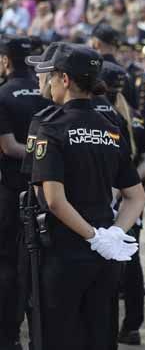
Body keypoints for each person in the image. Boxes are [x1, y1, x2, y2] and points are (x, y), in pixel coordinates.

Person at [31, 43, 145, 350]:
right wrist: (114, 234)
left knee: (60, 336)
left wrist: (93, 236)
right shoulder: (110, 127)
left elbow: (53, 199)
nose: (50, 83)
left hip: (65, 249)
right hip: (104, 253)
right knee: (99, 334)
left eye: (52, 76)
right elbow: (136, 196)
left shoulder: (51, 126)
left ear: (65, 79)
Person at [95, 61, 145, 347]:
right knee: (129, 259)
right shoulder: (134, 116)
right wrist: (130, 184)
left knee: (110, 263)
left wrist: (119, 187)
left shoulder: (100, 116)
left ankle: (116, 326)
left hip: (109, 198)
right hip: (130, 197)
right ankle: (131, 324)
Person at [0, 35, 49, 350]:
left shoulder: (3, 94)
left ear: (5, 61)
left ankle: (8, 336)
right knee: (41, 265)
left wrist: (33, 158)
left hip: (12, 190)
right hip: (48, 191)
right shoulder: (49, 92)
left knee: (8, 266)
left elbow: (8, 146)